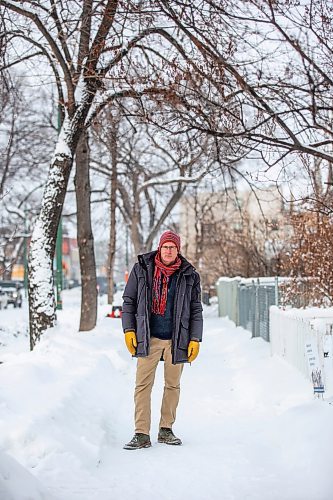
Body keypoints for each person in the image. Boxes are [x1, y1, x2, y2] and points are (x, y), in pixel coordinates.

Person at [122, 230, 203, 450]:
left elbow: (196, 309)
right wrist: (129, 330)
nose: (168, 250)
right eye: (165, 246)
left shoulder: (189, 275)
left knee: (172, 385)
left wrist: (195, 338)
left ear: (178, 250)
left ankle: (166, 429)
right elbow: (129, 301)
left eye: (173, 247)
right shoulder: (142, 269)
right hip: (148, 338)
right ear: (160, 248)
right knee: (142, 386)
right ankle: (141, 433)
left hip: (177, 338)